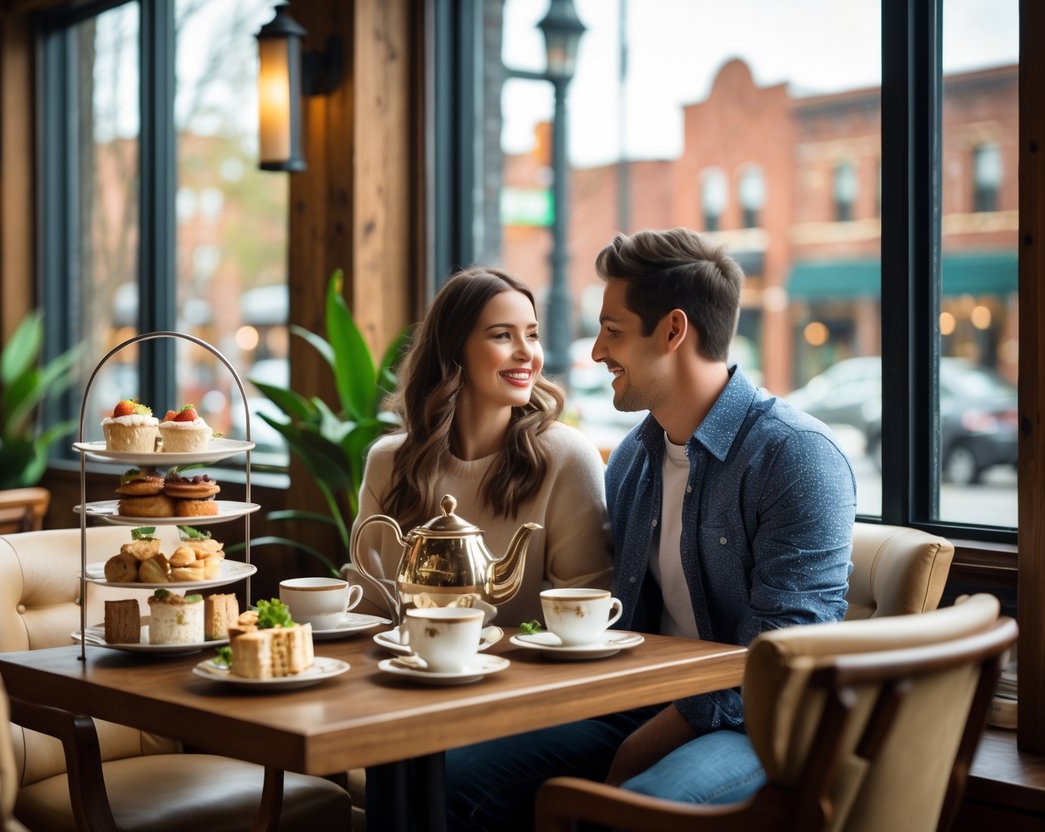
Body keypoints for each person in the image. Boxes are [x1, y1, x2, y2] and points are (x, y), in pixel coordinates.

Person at [445, 228, 857, 830]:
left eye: (612, 330)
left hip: (763, 725)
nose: (594, 352)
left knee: (633, 806)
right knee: (451, 778)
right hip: (640, 704)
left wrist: (641, 745)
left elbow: (784, 658)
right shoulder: (636, 459)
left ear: (672, 331)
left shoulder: (795, 457)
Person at [345, 266, 613, 626]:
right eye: (503, 335)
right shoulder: (389, 461)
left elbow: (584, 615)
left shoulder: (567, 457)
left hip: (528, 679)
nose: (526, 353)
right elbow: (368, 606)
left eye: (532, 335)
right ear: (454, 349)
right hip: (407, 672)